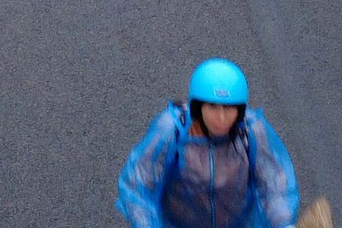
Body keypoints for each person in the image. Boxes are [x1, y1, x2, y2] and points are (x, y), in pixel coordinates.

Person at [117, 58, 301, 228]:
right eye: (212, 107)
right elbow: (137, 187)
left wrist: (283, 223)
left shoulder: (252, 130)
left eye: (229, 108)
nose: (221, 118)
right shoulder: (171, 131)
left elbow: (274, 185)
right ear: (198, 107)